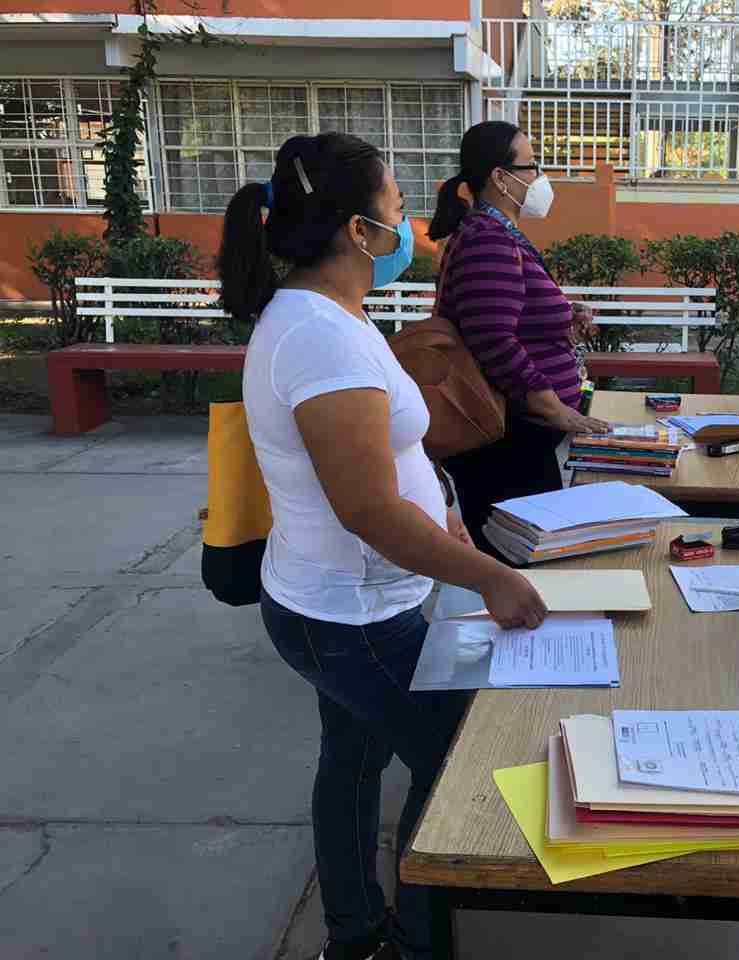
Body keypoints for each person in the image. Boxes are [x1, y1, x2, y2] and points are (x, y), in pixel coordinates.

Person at [219, 131, 548, 960]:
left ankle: (357, 934)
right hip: (348, 615)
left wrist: (445, 509)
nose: (412, 227)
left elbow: (388, 451)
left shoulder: (336, 315)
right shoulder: (318, 336)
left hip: (346, 601)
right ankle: (410, 943)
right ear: (358, 232)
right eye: (398, 209)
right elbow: (366, 507)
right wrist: (490, 577)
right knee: (451, 770)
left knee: (354, 761)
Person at [427, 121, 610, 559]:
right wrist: (554, 408)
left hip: (521, 439)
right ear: (501, 177)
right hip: (507, 444)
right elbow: (493, 339)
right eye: (532, 166)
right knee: (522, 572)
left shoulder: (497, 233)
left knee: (532, 567)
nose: (540, 178)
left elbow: (508, 310)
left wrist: (564, 313)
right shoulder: (486, 240)